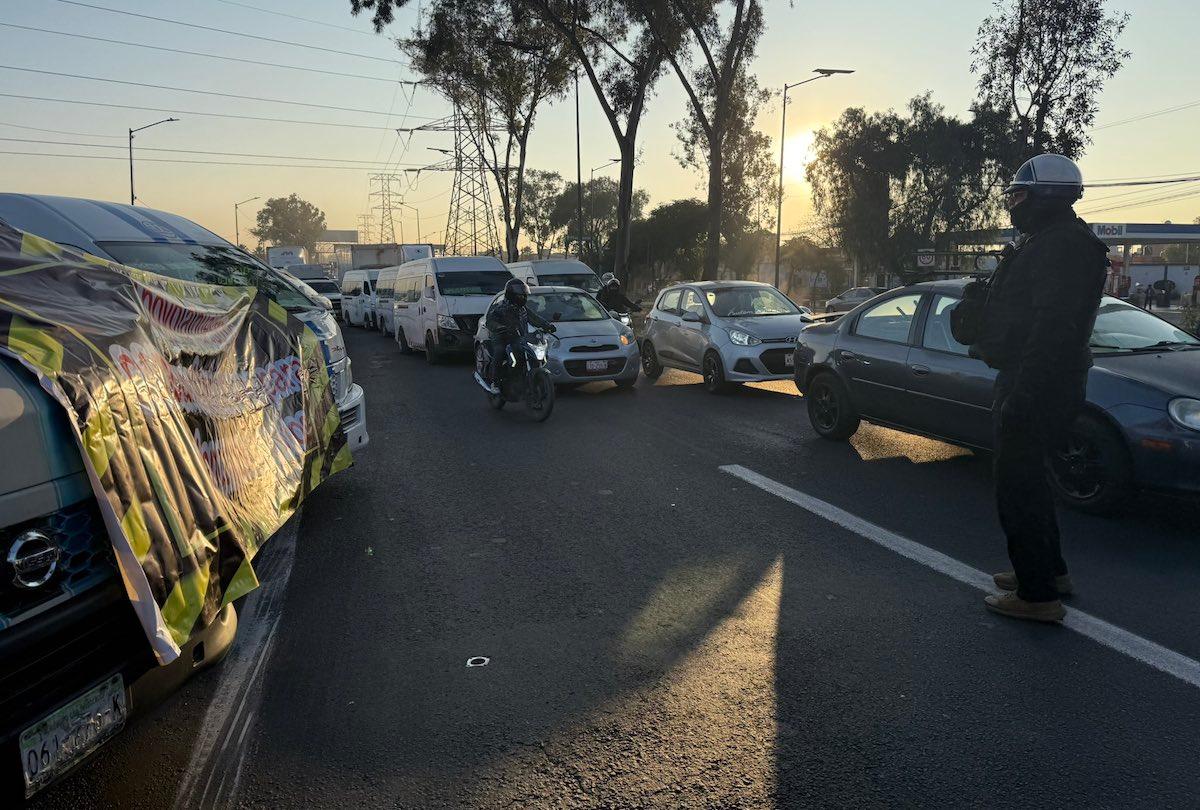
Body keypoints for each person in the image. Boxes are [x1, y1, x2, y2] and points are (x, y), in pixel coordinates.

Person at [970, 153, 1109, 623]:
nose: (1013, 202)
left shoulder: (1062, 247)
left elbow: (1053, 328)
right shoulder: (1054, 240)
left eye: (1020, 194)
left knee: (1016, 486)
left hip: (1040, 382)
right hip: (1042, 377)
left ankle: (1036, 596)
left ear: (1046, 196)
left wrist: (1022, 394)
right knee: (1031, 479)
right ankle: (1049, 571)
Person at [483, 278, 555, 394]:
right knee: (500, 352)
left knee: (533, 353)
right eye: (521, 296)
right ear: (512, 295)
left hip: (519, 338)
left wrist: (547, 325)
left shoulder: (523, 309)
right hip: (502, 338)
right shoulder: (500, 308)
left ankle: (526, 378)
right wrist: (499, 327)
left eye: (524, 295)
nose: (524, 298)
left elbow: (535, 319)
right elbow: (490, 321)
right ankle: (495, 383)